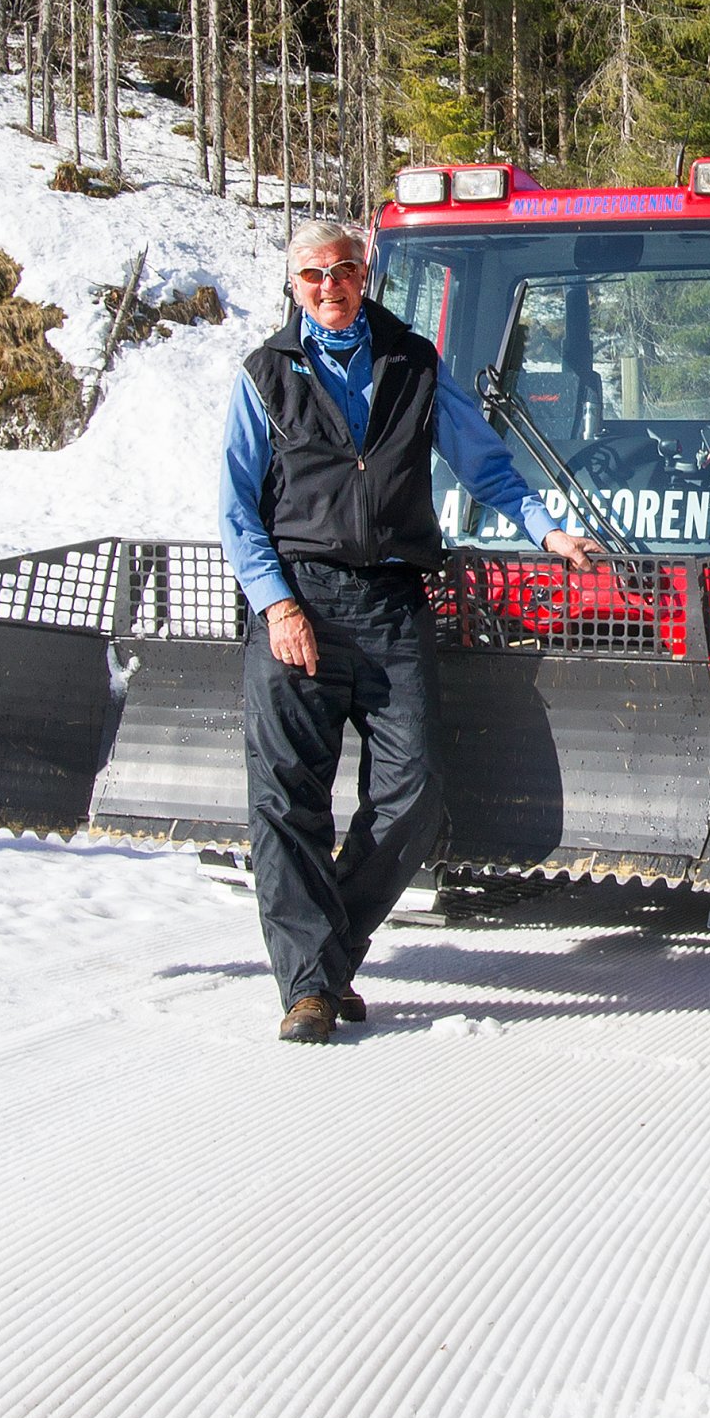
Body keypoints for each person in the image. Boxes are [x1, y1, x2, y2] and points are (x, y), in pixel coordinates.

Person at [220, 220, 600, 1043]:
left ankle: (330, 954)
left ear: (367, 275)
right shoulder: (264, 376)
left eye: (346, 270)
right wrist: (276, 605)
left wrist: (545, 529)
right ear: (295, 286)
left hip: (391, 601)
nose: (332, 286)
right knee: (287, 801)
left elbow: (483, 461)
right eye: (315, 274)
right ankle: (310, 989)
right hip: (299, 603)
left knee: (414, 794)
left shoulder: (414, 362)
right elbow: (236, 509)